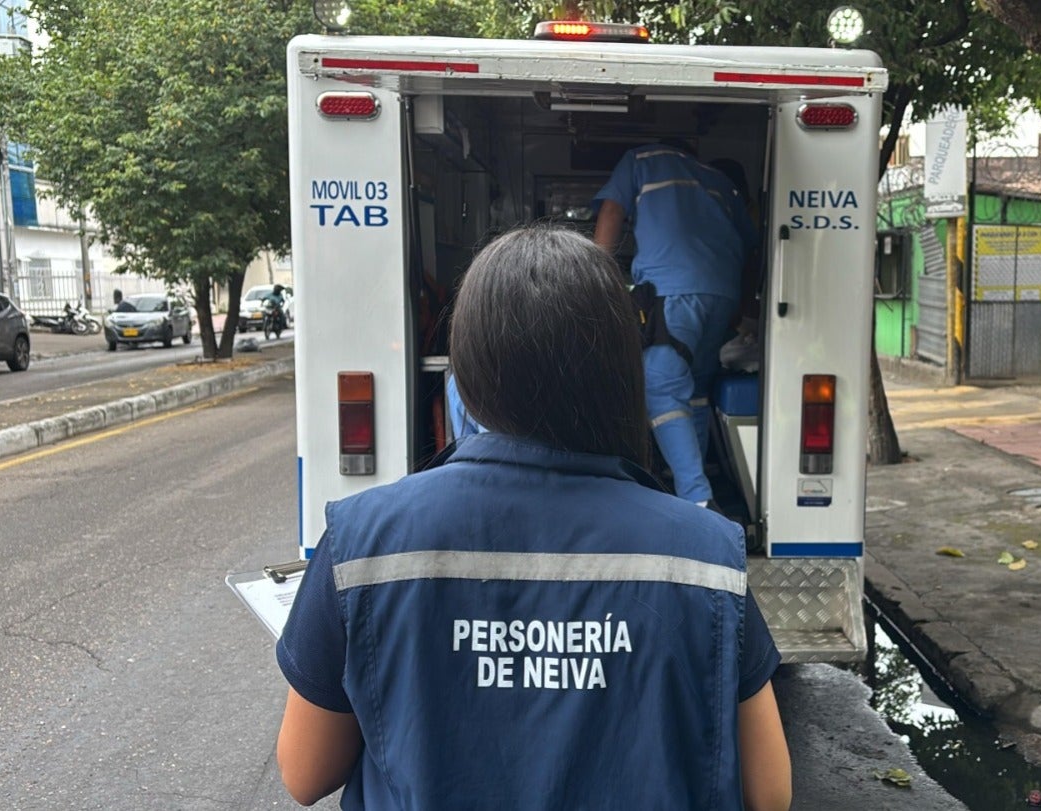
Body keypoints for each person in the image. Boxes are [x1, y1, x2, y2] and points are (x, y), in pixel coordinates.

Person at [275, 226, 791, 811]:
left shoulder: (362, 543)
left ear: (467, 371)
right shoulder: (705, 556)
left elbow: (305, 772)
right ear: (621, 373)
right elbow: (769, 793)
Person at [592, 141, 758, 506]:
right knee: (694, 391)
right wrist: (743, 307)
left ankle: (697, 499)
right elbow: (751, 247)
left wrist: (593, 281)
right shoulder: (716, 178)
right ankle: (685, 479)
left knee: (660, 389)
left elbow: (612, 211)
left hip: (674, 292)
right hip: (722, 296)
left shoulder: (640, 158)